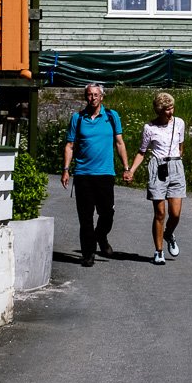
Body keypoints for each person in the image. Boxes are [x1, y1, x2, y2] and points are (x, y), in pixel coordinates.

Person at [62, 83, 130, 267]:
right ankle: (88, 254)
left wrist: (126, 167)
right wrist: (66, 170)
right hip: (83, 174)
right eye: (89, 95)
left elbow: (119, 143)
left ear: (102, 97)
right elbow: (70, 146)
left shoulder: (111, 116)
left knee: (107, 212)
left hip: (105, 173)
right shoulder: (78, 118)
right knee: (85, 217)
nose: (92, 98)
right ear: (86, 97)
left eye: (95, 95)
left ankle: (101, 235)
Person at [124, 91, 186, 266]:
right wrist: (131, 170)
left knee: (175, 214)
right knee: (160, 213)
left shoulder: (179, 123)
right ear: (159, 110)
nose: (170, 112)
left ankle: (169, 234)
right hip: (157, 167)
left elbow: (181, 147)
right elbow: (142, 151)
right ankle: (158, 252)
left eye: (172, 107)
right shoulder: (149, 128)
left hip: (175, 167)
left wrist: (176, 161)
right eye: (166, 109)